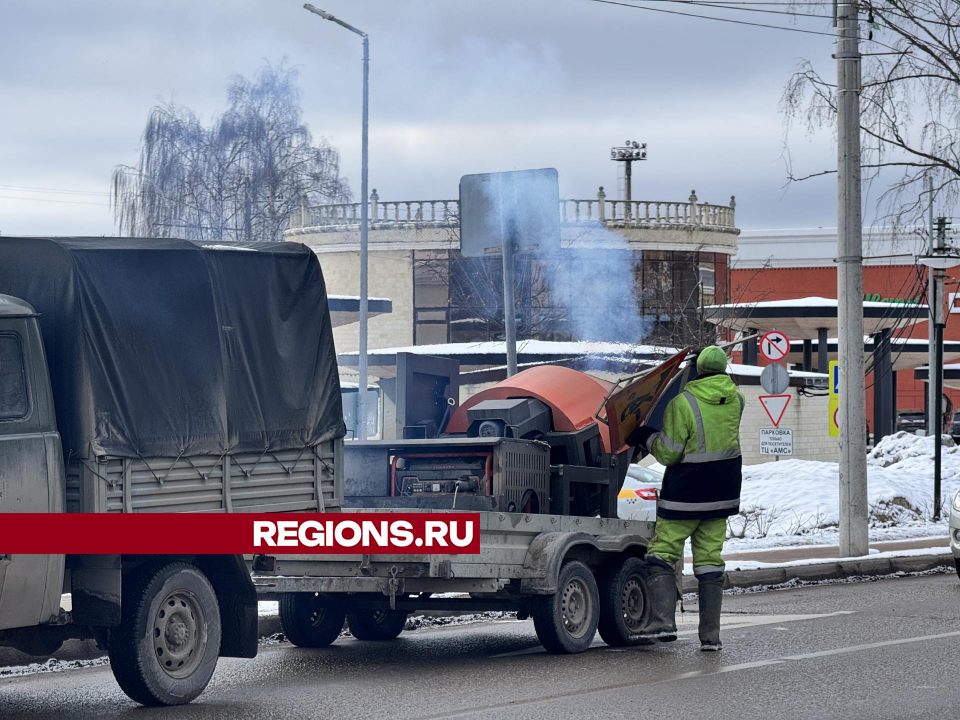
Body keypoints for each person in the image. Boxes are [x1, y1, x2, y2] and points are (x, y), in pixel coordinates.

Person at [627, 345, 744, 651]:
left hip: (685, 495)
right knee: (709, 562)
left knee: (661, 555)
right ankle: (710, 637)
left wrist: (646, 436)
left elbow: (669, 453)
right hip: (722, 494)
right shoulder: (737, 400)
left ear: (697, 370)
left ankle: (663, 623)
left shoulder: (683, 403)